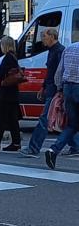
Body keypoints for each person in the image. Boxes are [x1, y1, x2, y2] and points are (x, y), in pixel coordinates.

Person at [21, 29, 79, 157]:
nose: (42, 39)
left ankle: (35, 148)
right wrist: (44, 87)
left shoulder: (62, 50)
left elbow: (59, 72)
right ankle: (74, 146)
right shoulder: (54, 50)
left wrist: (60, 90)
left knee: (48, 119)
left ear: (52, 36)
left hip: (60, 90)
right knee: (66, 120)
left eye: (44, 36)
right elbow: (52, 73)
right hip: (57, 89)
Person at [45, 41, 79, 169]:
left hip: (67, 88)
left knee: (72, 125)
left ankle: (53, 150)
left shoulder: (70, 48)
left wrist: (60, 89)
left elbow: (59, 72)